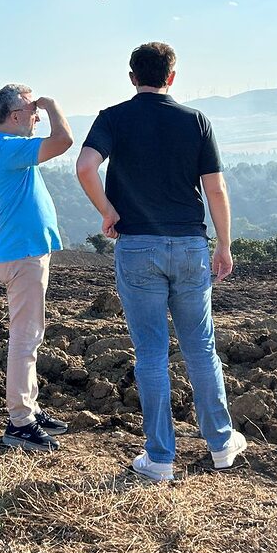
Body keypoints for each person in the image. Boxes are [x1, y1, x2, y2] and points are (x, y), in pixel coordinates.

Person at [75, 43, 247, 481]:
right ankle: (222, 443)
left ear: (132, 76)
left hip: (137, 249)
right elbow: (216, 191)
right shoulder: (196, 121)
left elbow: (84, 167)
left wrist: (108, 211)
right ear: (172, 77)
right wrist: (223, 243)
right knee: (200, 348)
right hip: (190, 246)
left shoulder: (113, 117)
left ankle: (159, 459)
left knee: (151, 353)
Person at [0, 84, 74, 451]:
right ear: (14, 115)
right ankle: (19, 422)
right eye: (31, 110)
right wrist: (52, 104)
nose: (36, 115)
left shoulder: (4, 149)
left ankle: (27, 410)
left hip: (26, 252)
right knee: (25, 337)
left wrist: (40, 106)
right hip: (22, 255)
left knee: (30, 334)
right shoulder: (6, 148)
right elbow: (64, 140)